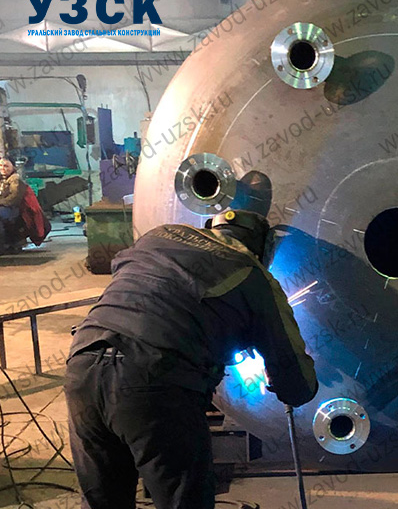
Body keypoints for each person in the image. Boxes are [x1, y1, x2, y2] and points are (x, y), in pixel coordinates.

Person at [65, 210, 318, 509]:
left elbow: (143, 287)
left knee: (103, 501)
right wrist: (293, 385)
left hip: (83, 366)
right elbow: (295, 378)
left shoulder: (159, 236)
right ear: (262, 249)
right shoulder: (252, 274)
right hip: (156, 382)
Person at [0, 158, 25, 250]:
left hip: (11, 208)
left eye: (6, 166)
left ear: (13, 167)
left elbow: (14, 198)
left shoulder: (15, 179)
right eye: (1, 165)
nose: (3, 168)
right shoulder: (2, 179)